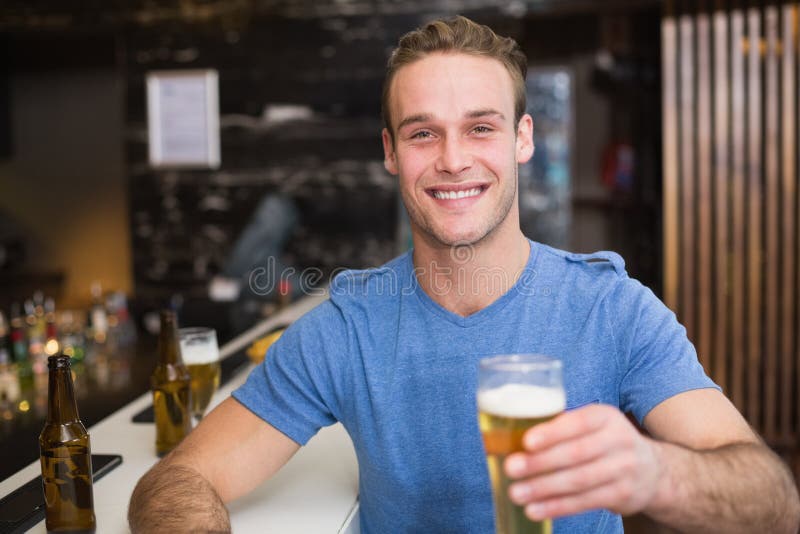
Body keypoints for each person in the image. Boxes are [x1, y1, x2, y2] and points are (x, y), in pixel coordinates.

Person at [128, 16, 800, 533]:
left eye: (480, 128)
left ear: (522, 139)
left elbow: (774, 502)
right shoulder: (346, 328)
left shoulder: (613, 309)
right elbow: (177, 479)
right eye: (423, 133)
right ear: (391, 152)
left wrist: (657, 473)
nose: (453, 160)